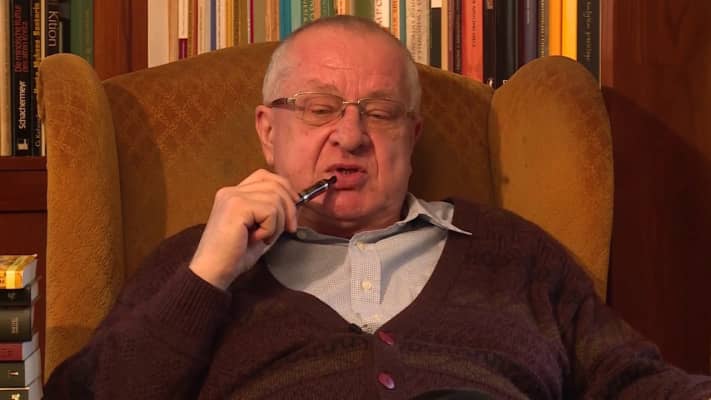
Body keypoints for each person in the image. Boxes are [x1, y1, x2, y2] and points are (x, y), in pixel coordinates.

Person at [45, 15, 711, 400]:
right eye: (319, 109)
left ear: (411, 137)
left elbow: (636, 381)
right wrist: (207, 277)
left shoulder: (512, 251)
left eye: (382, 113)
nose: (351, 135)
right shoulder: (196, 263)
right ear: (267, 132)